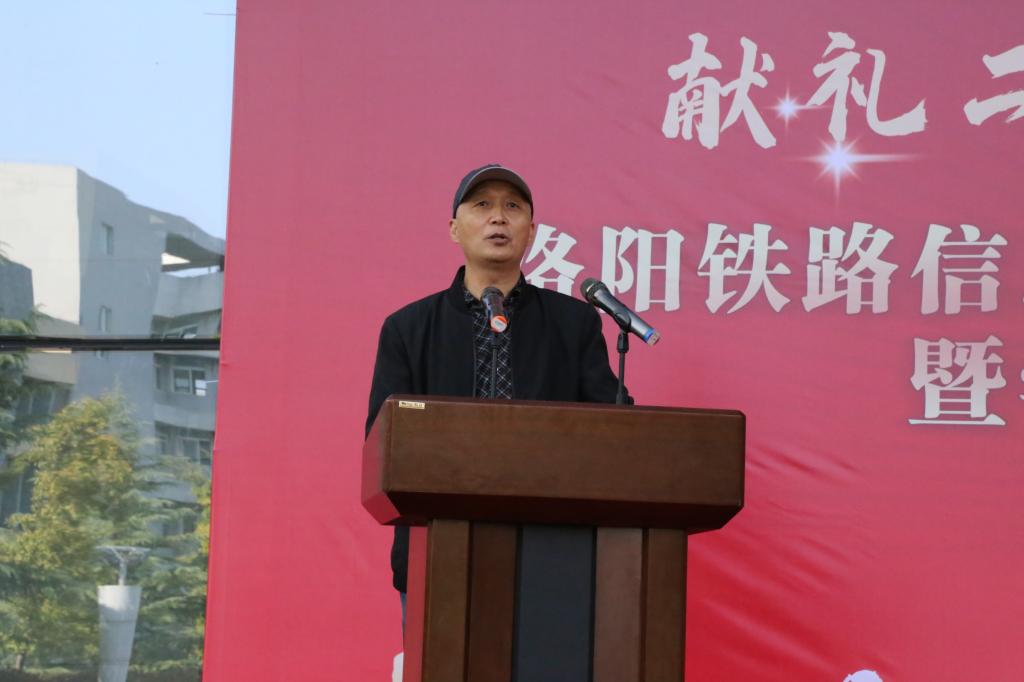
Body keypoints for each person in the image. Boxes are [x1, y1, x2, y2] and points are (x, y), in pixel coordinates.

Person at [365, 163, 622, 618]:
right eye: (482, 205)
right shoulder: (408, 329)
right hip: (438, 550)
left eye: (512, 207)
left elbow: (613, 434)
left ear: (532, 231)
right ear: (454, 228)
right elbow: (382, 445)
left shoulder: (574, 323)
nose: (498, 218)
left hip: (552, 552)